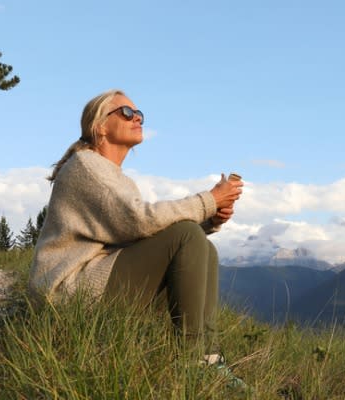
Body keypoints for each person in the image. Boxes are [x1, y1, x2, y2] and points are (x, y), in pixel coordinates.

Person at [28, 89, 243, 363]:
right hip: (66, 293)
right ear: (100, 127)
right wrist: (209, 200)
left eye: (139, 113)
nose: (137, 118)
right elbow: (141, 220)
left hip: (92, 281)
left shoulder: (108, 174)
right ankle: (192, 360)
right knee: (186, 236)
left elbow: (138, 234)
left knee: (205, 248)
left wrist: (209, 220)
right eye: (126, 112)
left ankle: (208, 356)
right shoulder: (86, 165)